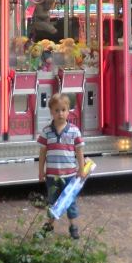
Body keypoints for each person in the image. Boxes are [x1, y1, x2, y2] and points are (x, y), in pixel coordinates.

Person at [38, 92, 85, 240]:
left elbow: (79, 151)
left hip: (69, 175)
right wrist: (41, 171)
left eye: (63, 110)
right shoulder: (46, 131)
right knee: (53, 202)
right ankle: (49, 225)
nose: (60, 113)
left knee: (70, 202)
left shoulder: (74, 131)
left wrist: (82, 169)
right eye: (57, 110)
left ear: (68, 111)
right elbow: (42, 153)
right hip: (52, 176)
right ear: (51, 112)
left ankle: (73, 226)